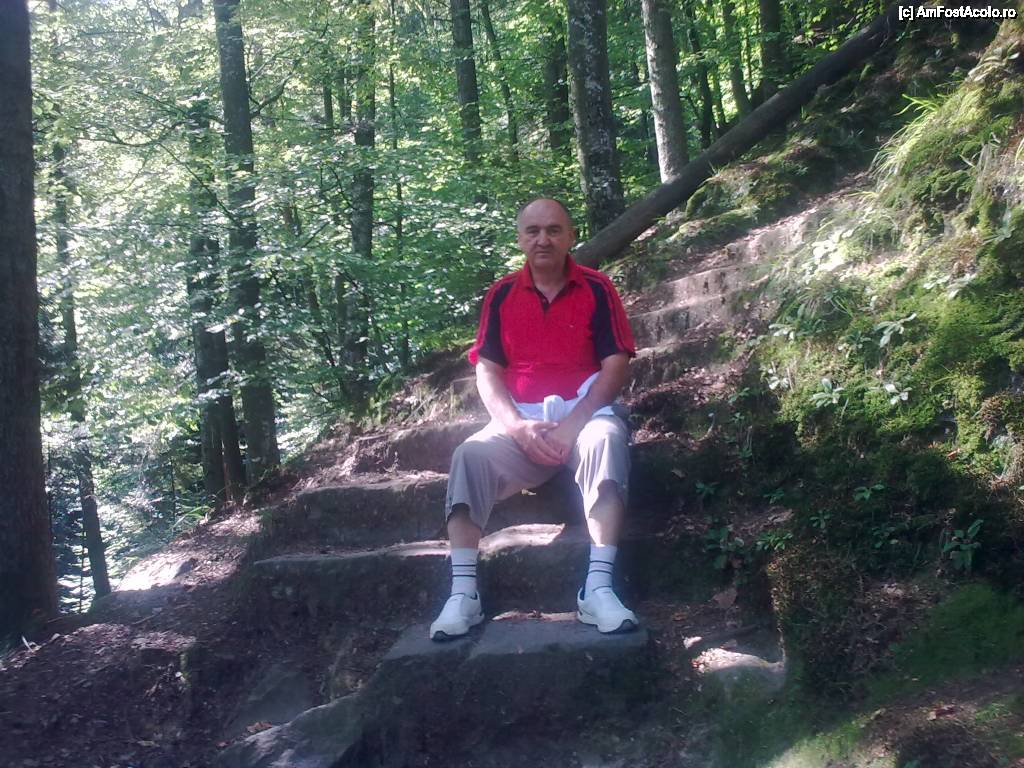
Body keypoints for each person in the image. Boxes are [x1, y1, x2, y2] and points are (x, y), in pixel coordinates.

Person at [430, 197, 638, 640]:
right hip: (522, 417)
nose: (543, 239)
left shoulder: (597, 288)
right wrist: (516, 428)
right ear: (521, 238)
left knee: (605, 440)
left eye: (554, 230)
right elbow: (487, 370)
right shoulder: (502, 294)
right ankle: (463, 594)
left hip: (586, 413)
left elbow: (616, 364)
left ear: (571, 236)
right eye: (533, 231)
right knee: (469, 454)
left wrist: (573, 424)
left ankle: (598, 588)